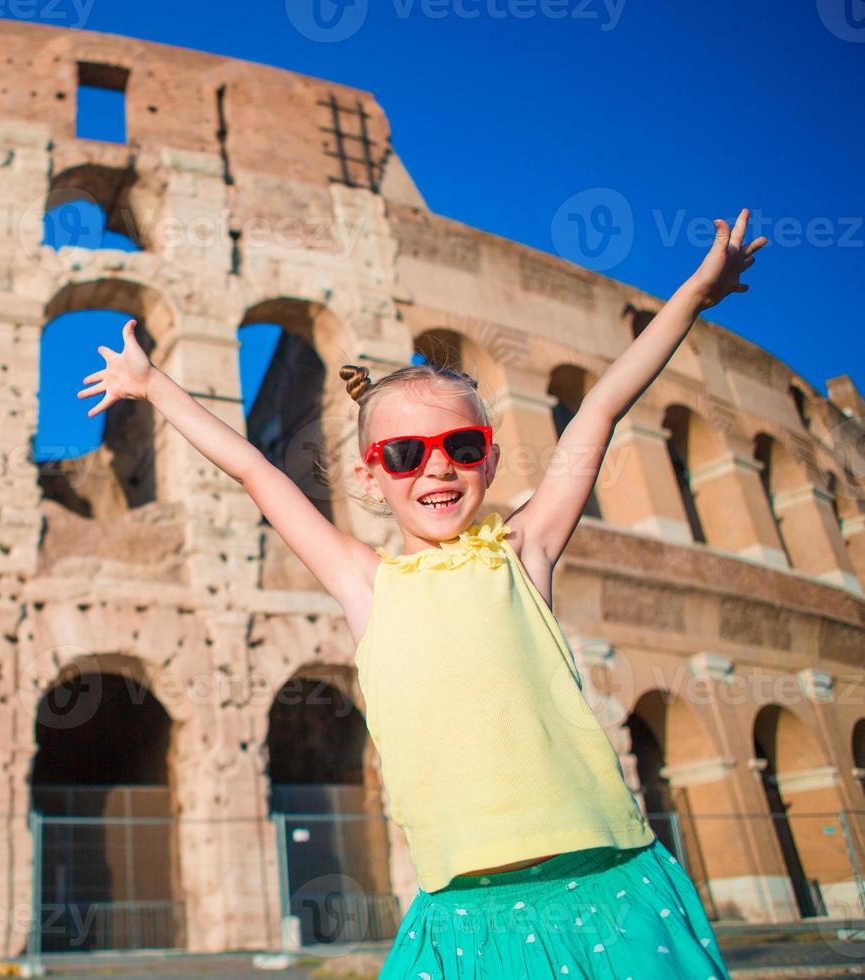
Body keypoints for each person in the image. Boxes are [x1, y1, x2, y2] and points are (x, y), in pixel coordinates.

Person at [79, 210, 767, 976]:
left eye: (461, 449)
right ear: (371, 478)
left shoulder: (522, 553)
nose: (437, 469)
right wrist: (153, 386)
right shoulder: (365, 583)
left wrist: (693, 297)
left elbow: (600, 410)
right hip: (465, 913)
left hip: (609, 882)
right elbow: (255, 472)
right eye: (406, 454)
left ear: (490, 461)